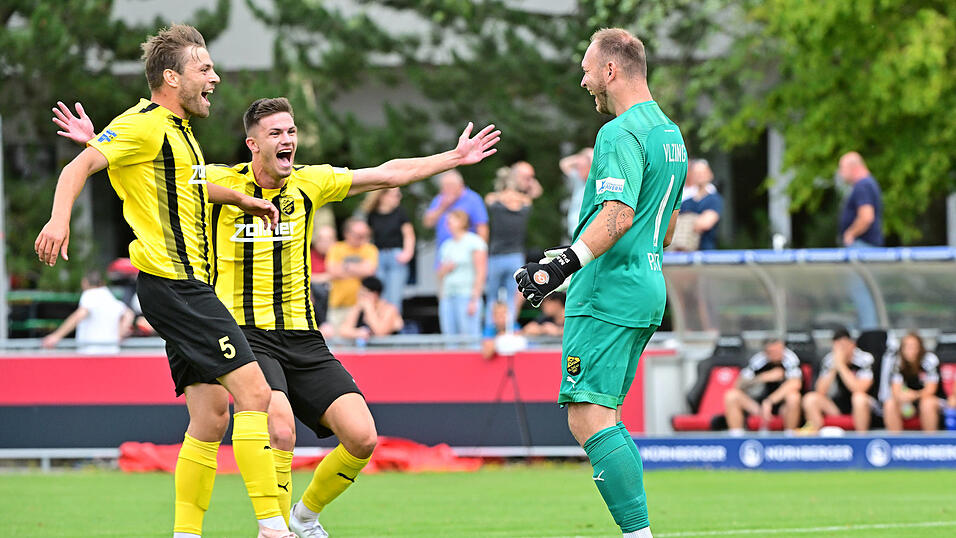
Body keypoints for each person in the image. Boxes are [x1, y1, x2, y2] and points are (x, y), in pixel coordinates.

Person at [56, 94, 500, 537]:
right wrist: (98, 143)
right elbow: (161, 180)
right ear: (253, 144)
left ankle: (302, 518)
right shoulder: (219, 181)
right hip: (246, 333)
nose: (287, 140)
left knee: (363, 437)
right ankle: (273, 530)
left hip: (304, 336)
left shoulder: (310, 183)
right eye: (276, 133)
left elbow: (387, 173)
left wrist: (454, 158)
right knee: (280, 427)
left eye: (291, 131)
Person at [38, 25, 295, 538]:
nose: (215, 78)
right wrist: (57, 219)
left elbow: (185, 186)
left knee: (210, 418)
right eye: (205, 69)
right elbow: (78, 169)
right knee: (255, 394)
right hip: (178, 287)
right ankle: (273, 526)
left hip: (174, 290)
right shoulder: (147, 124)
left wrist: (242, 198)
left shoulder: (177, 132)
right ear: (172, 77)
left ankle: (185, 533)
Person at [515, 28, 686, 538]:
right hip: (648, 285)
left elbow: (617, 214)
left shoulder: (619, 132)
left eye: (588, 67)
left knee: (588, 417)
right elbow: (668, 225)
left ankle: (638, 534)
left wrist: (560, 265)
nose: (583, 78)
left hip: (608, 291)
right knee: (603, 415)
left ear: (611, 71)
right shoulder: (669, 133)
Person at [801, 327, 875, 433]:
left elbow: (859, 389)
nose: (841, 350)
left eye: (844, 346)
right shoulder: (829, 360)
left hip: (865, 404)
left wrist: (841, 366)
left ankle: (861, 440)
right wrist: (834, 368)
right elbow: (820, 391)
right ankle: (815, 440)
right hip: (838, 405)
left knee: (858, 398)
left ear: (852, 345)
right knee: (810, 399)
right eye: (838, 346)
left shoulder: (865, 359)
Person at [723, 338, 803, 434]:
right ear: (766, 352)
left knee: (793, 397)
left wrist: (770, 401)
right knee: (731, 395)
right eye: (772, 352)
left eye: (779, 350)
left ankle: (790, 437)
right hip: (758, 406)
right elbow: (738, 385)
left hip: (781, 406)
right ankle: (736, 438)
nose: (776, 354)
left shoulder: (790, 359)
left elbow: (795, 383)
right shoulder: (758, 360)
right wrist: (762, 377)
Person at [41, 270, 134, 354]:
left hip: (90, 352)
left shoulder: (89, 295)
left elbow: (80, 314)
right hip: (111, 350)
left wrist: (56, 336)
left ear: (84, 283)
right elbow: (129, 314)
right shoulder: (110, 297)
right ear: (102, 283)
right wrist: (120, 333)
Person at [484, 168, 531, 324]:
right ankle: (510, 327)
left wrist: (504, 194)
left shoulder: (497, 206)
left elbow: (489, 198)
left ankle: (491, 328)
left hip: (496, 256)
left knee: (492, 296)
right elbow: (533, 194)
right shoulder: (524, 207)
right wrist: (517, 192)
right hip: (515, 256)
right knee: (513, 297)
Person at [362, 187, 415, 315]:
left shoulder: (400, 213)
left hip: (395, 256)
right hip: (378, 256)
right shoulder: (372, 215)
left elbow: (409, 234)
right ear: (383, 196)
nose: (399, 197)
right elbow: (367, 237)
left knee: (394, 296)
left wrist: (407, 253)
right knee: (379, 295)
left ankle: (393, 329)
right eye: (395, 195)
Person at [437, 210, 487, 338]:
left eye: (451, 220)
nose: (448, 223)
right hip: (448, 296)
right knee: (449, 337)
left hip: (466, 295)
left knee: (470, 338)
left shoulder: (475, 242)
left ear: (462, 221)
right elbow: (440, 273)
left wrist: (474, 299)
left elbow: (481, 271)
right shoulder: (446, 245)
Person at [325, 218, 378, 333]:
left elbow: (369, 271)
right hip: (338, 304)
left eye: (365, 235)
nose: (362, 238)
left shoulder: (370, 249)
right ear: (347, 233)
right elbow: (332, 271)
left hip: (360, 306)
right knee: (335, 339)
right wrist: (359, 269)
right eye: (358, 235)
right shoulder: (336, 248)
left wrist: (345, 267)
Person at [883, 332, 943, 432]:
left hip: (933, 399)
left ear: (920, 347)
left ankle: (930, 442)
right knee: (890, 403)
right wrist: (903, 397)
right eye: (907, 347)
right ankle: (896, 443)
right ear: (902, 349)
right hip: (908, 401)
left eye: (914, 346)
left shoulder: (930, 360)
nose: (911, 350)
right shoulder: (897, 362)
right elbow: (896, 390)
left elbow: (931, 390)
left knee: (927, 403)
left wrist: (914, 395)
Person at [423, 169, 489, 256]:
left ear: (461, 184)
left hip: (467, 253)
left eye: (451, 185)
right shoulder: (439, 199)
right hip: (444, 253)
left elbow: (482, 227)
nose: (447, 189)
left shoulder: (473, 199)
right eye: (445, 186)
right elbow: (427, 223)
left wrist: (480, 252)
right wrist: (442, 207)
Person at [838, 151, 883, 247]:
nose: (840, 173)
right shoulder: (867, 183)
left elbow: (866, 217)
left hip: (862, 246)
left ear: (853, 168)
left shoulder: (862, 185)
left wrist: (850, 233)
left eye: (842, 168)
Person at [339, 276, 404, 340]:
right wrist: (358, 333)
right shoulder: (359, 308)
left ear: (375, 295)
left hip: (391, 349)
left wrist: (369, 309)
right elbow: (343, 331)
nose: (361, 298)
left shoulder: (389, 309)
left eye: (364, 294)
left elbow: (381, 333)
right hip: (367, 350)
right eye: (360, 294)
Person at [679, 159, 722, 251]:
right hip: (684, 255)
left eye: (703, 173)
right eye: (696, 173)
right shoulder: (686, 202)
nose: (700, 176)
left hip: (706, 254)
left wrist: (685, 221)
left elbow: (705, 224)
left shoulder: (714, 199)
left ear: (710, 174)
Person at [561, 148, 594, 239]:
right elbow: (564, 163)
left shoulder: (594, 182)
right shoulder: (578, 180)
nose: (579, 170)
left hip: (586, 232)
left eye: (582, 167)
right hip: (574, 231)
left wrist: (589, 155)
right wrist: (581, 157)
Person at [309, 225, 337, 326]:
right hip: (318, 300)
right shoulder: (308, 256)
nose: (325, 243)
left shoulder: (340, 254)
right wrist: (329, 276)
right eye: (321, 239)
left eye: (329, 239)